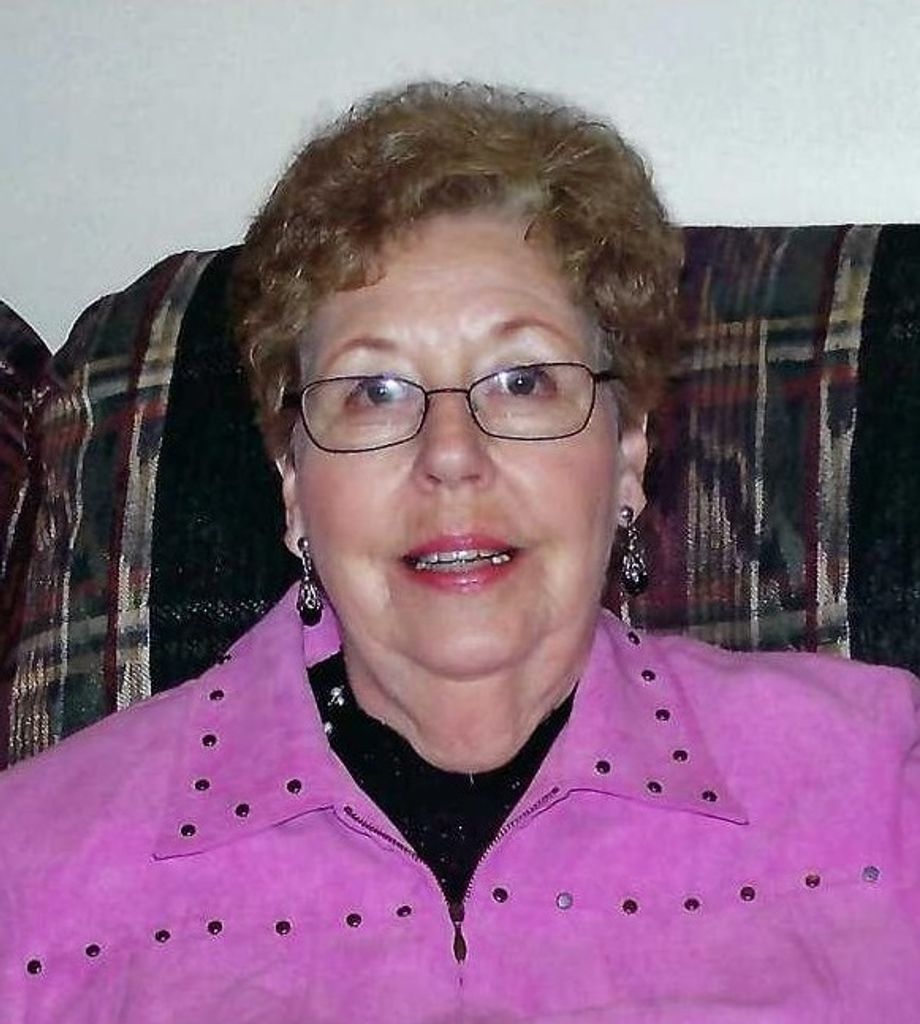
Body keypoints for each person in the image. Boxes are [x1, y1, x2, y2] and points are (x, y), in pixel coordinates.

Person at [2, 81, 920, 1024]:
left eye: (522, 381)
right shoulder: (30, 871)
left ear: (628, 454)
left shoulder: (882, 784)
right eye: (374, 391)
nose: (450, 456)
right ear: (292, 484)